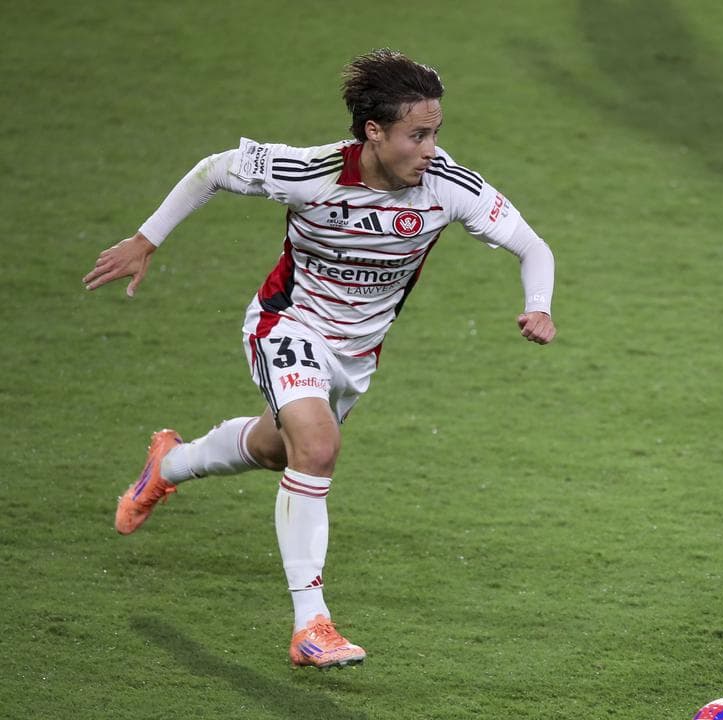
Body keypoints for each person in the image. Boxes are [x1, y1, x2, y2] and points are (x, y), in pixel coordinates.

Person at [83, 49, 557, 666]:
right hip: (288, 323)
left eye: (436, 132)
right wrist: (147, 240)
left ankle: (171, 464)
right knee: (319, 448)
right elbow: (216, 169)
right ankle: (312, 625)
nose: (432, 149)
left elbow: (532, 246)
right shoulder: (309, 172)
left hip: (356, 356)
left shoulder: (449, 188)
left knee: (285, 447)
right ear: (374, 132)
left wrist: (539, 305)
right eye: (418, 134)